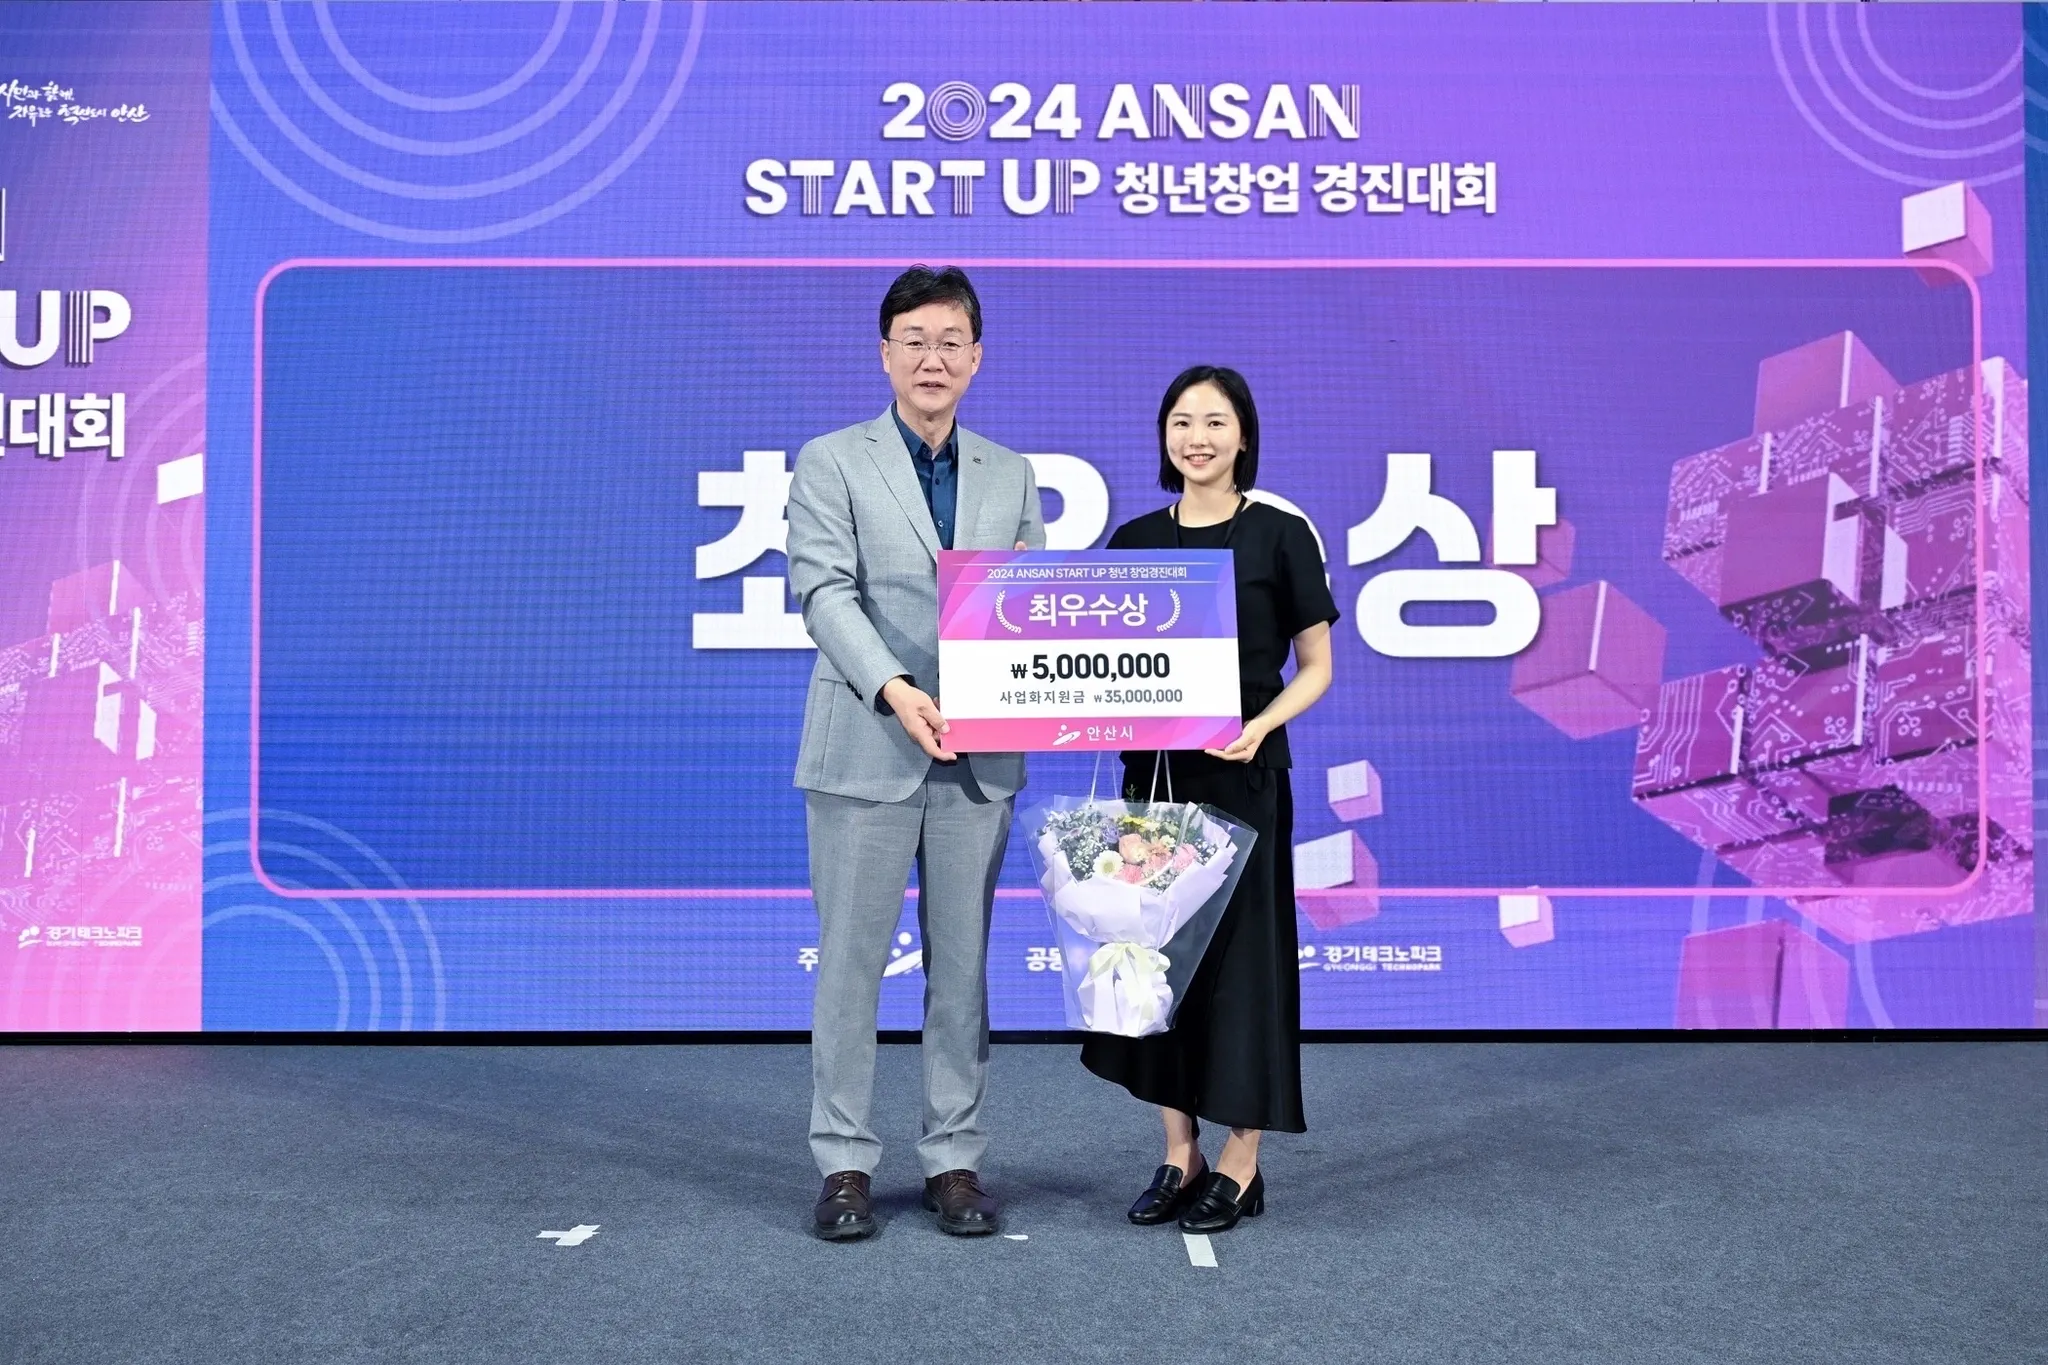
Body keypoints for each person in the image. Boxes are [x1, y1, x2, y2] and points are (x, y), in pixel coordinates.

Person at [786, 266, 1046, 1241]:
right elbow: (823, 592)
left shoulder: (1009, 473)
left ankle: (953, 1160)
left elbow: (1029, 607)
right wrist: (898, 691)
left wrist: (1010, 697)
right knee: (850, 968)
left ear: (976, 357)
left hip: (979, 753)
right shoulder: (832, 461)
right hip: (868, 742)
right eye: (914, 340)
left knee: (964, 971)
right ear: (885, 353)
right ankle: (845, 1163)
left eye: (950, 342)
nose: (932, 358)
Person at [1081, 365, 1337, 1234]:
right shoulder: (1135, 540)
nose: (1197, 437)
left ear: (1243, 435)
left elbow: (1317, 666)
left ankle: (1241, 1159)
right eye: (1182, 421)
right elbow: (1103, 667)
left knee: (1242, 969)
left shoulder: (1279, 534)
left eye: (1215, 421)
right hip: (1153, 785)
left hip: (1242, 774)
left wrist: (1262, 725)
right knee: (1160, 966)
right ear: (1165, 436)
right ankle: (1178, 1149)